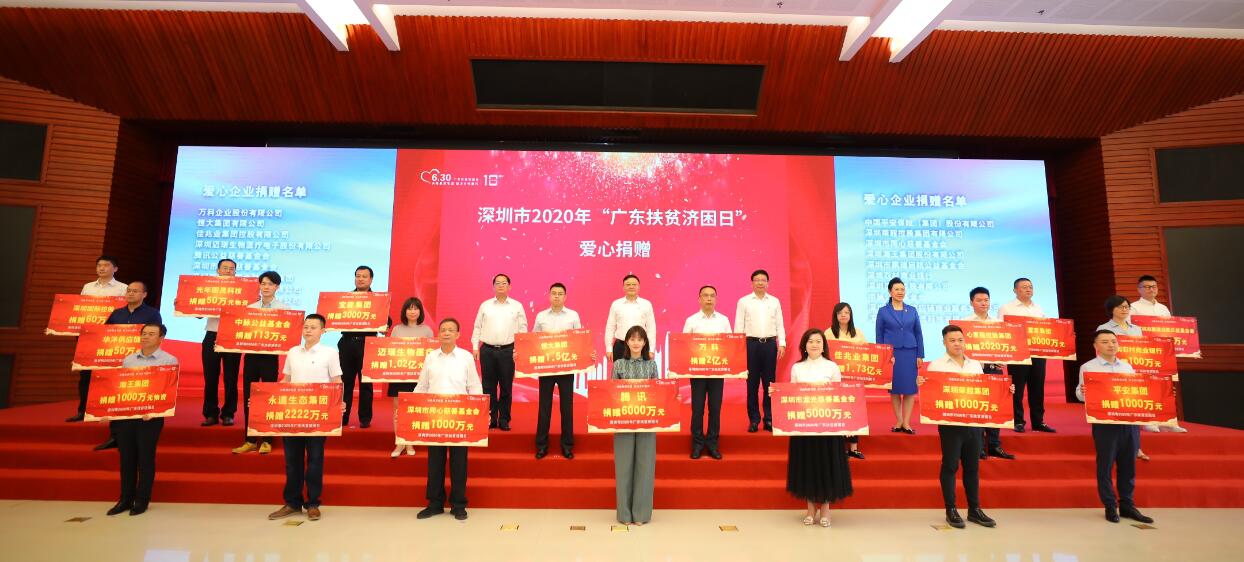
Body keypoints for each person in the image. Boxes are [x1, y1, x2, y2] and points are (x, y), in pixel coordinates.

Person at [918, 325, 1007, 529]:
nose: (957, 344)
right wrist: (922, 383)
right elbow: (931, 393)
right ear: (944, 342)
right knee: (950, 465)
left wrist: (1005, 389)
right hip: (950, 424)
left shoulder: (975, 364)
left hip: (974, 423)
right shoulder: (937, 366)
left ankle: (974, 509)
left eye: (960, 340)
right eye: (952, 340)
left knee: (972, 467)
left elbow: (985, 390)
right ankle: (951, 509)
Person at [267, 314, 343, 522]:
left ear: (322, 331)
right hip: (292, 413)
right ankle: (292, 502)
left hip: (318, 415)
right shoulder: (293, 352)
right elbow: (286, 379)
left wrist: (339, 402)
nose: (308, 330)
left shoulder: (330, 353)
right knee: (292, 461)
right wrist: (263, 399)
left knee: (315, 460)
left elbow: (336, 381)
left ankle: (313, 503)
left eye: (313, 327)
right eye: (306, 327)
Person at [1076, 330, 1155, 525]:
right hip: (1105, 423)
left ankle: (1127, 505)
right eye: (1105, 342)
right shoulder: (1088, 367)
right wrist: (1083, 392)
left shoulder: (1127, 366)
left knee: (1128, 465)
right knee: (1105, 465)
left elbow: (1136, 393)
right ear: (1096, 346)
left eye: (1113, 341)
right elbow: (1079, 394)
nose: (1111, 345)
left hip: (1128, 422)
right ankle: (1110, 506)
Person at [416, 318, 483, 521]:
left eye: (450, 330)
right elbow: (422, 385)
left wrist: (481, 410)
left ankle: (458, 504)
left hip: (459, 416)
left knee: (459, 462)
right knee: (434, 462)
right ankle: (435, 503)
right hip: (434, 416)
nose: (446, 333)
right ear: (438, 334)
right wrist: (408, 406)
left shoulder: (465, 357)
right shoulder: (431, 357)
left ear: (458, 335)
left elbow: (474, 385)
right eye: (443, 330)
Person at [785, 328, 853, 527]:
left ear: (824, 346)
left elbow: (839, 396)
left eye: (818, 341)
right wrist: (777, 394)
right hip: (804, 426)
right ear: (804, 346)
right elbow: (791, 394)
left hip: (827, 426)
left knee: (826, 465)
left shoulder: (832, 367)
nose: (814, 345)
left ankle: (825, 508)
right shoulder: (797, 368)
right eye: (810, 341)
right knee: (806, 465)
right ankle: (810, 508)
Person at [108, 321, 177, 517]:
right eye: (144, 333)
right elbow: (120, 388)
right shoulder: (129, 360)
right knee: (127, 458)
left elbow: (169, 390)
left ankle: (142, 500)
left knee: (145, 458)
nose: (146, 337)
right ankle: (125, 499)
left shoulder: (169, 360)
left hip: (151, 418)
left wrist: (155, 410)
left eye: (151, 334)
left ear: (161, 338)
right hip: (127, 416)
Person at [92, 281, 163, 451]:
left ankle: (136, 438)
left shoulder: (152, 314)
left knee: (135, 399)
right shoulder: (117, 314)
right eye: (129, 291)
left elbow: (157, 337)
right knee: (117, 399)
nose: (130, 293)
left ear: (144, 294)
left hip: (141, 363)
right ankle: (115, 436)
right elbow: (104, 336)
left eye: (135, 291)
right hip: (116, 363)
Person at [67, 255, 129, 423]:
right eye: (99, 265)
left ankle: (108, 410)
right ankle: (83, 411)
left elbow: (125, 313)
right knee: (86, 375)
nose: (101, 268)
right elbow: (80, 309)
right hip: (89, 337)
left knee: (110, 375)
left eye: (106, 265)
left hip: (110, 337)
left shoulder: (123, 288)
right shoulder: (87, 287)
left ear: (115, 269)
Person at [233, 271, 288, 455]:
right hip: (251, 357)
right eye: (263, 283)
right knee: (249, 398)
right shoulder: (250, 308)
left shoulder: (284, 309)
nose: (266, 287)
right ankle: (250, 440)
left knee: (268, 398)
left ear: (277, 287)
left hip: (270, 359)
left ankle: (267, 440)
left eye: (270, 284)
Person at [532, 282, 586, 460]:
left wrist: (587, 354)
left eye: (560, 293)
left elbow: (579, 339)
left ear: (565, 297)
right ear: (549, 296)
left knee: (566, 407)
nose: (556, 296)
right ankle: (541, 445)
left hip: (566, 367)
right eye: (554, 293)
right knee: (544, 407)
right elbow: (533, 340)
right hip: (546, 368)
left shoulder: (573, 315)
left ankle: (567, 445)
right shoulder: (541, 316)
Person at [612, 326, 659, 526]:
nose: (636, 343)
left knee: (645, 466)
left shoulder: (652, 365)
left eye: (640, 339)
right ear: (627, 342)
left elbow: (658, 393)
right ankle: (624, 514)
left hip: (647, 421)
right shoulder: (618, 365)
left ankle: (641, 514)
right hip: (623, 422)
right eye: (632, 339)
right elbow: (611, 394)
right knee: (623, 467)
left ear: (645, 342)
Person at [961, 287, 1016, 460]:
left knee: (995, 407)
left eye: (986, 300)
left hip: (995, 369)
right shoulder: (964, 324)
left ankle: (994, 445)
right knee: (978, 408)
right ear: (971, 302)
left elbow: (1007, 346)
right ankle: (978, 447)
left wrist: (1003, 359)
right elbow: (960, 349)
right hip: (974, 370)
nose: (983, 303)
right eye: (979, 300)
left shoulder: (998, 324)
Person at [1131, 275, 1188, 434]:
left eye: (1154, 286)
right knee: (1147, 386)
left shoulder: (1163, 308)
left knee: (1166, 387)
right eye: (1147, 287)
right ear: (1139, 289)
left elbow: (1171, 329)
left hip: (1163, 353)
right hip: (1145, 352)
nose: (1151, 289)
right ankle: (1148, 420)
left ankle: (1168, 421)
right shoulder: (1133, 308)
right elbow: (1131, 331)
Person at [472, 273, 528, 431]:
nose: (501, 285)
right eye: (497, 283)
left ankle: (504, 419)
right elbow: (477, 326)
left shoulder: (517, 306)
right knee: (488, 387)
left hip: (508, 351)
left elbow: (523, 329)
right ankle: (490, 418)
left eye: (504, 283)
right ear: (493, 286)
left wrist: (520, 349)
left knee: (506, 387)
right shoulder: (485, 305)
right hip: (487, 350)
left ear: (510, 286)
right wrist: (475, 346)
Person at [998, 278, 1055, 433]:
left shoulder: (1038, 308)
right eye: (1024, 287)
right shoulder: (1006, 308)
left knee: (1037, 388)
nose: (1028, 289)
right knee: (1017, 388)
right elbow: (1001, 330)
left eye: (1030, 287)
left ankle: (1038, 421)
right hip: (1018, 354)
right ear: (1015, 290)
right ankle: (1018, 421)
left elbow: (1046, 330)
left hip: (1037, 353)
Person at [1096, 295, 1150, 462]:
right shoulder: (1103, 328)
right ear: (1111, 310)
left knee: (1131, 410)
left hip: (1131, 372)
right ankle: (1115, 449)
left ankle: (1136, 447)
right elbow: (1100, 351)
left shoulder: (1137, 329)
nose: (1125, 309)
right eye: (1120, 307)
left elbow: (1142, 350)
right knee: (1115, 412)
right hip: (1112, 372)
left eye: (1127, 306)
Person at [682, 285, 732, 460]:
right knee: (697, 409)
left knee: (715, 408)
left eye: (712, 296)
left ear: (716, 299)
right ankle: (697, 444)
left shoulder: (724, 320)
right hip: (698, 372)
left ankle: (712, 444)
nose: (709, 299)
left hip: (717, 372)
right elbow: (684, 345)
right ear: (699, 299)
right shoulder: (691, 321)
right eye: (705, 295)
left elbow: (730, 344)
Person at [735, 269, 786, 433]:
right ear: (752, 283)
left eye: (763, 280)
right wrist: (739, 349)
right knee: (752, 384)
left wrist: (782, 343)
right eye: (757, 280)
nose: (760, 282)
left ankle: (769, 418)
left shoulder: (775, 301)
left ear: (768, 283)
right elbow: (739, 326)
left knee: (769, 384)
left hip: (770, 345)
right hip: (751, 345)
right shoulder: (744, 302)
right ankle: (754, 420)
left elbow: (780, 324)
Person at [339, 265, 390, 429]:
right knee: (345, 381)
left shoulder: (378, 300)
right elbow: (334, 316)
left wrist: (385, 325)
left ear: (371, 279)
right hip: (347, 343)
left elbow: (386, 320)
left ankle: (365, 418)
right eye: (358, 276)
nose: (360, 279)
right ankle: (342, 417)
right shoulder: (345, 299)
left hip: (367, 344)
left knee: (366, 383)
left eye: (364, 276)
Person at [875, 277, 923, 434]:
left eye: (902, 289)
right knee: (894, 389)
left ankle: (907, 422)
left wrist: (920, 354)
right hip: (892, 354)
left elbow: (918, 333)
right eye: (897, 289)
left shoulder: (912, 310)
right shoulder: (883, 311)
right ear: (890, 291)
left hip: (910, 352)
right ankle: (899, 420)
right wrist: (883, 355)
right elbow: (879, 334)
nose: (900, 292)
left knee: (909, 389)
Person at [387, 297, 434, 458]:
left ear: (420, 312)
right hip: (399, 375)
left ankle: (410, 441)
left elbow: (431, 355)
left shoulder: (427, 330)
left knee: (413, 409)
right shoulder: (397, 329)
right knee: (398, 411)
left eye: (416, 308)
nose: (412, 311)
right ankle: (400, 442)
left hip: (419, 377)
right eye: (409, 308)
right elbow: (389, 352)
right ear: (404, 311)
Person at [201, 258, 242, 427]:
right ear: (218, 270)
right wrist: (184, 303)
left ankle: (228, 413)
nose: (228, 271)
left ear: (235, 272)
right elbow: (198, 313)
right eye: (224, 268)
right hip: (212, 334)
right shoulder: (208, 288)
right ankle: (210, 413)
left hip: (233, 335)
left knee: (231, 378)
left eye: (231, 269)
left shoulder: (242, 290)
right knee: (210, 377)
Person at [825, 302, 866, 459]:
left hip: (854, 380)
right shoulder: (829, 333)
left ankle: (854, 448)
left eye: (846, 312)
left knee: (854, 411)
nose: (843, 315)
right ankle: (840, 449)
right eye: (840, 313)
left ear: (850, 315)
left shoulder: (858, 333)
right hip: (836, 379)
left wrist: (887, 359)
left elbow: (869, 353)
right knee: (839, 411)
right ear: (835, 315)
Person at [604, 274, 656, 363]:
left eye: (634, 284)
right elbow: (610, 327)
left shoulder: (646, 304)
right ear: (623, 287)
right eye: (628, 284)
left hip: (641, 347)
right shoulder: (616, 304)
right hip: (621, 346)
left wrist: (651, 349)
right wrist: (608, 348)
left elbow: (651, 328)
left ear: (639, 287)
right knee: (619, 371)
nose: (631, 287)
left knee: (641, 372)